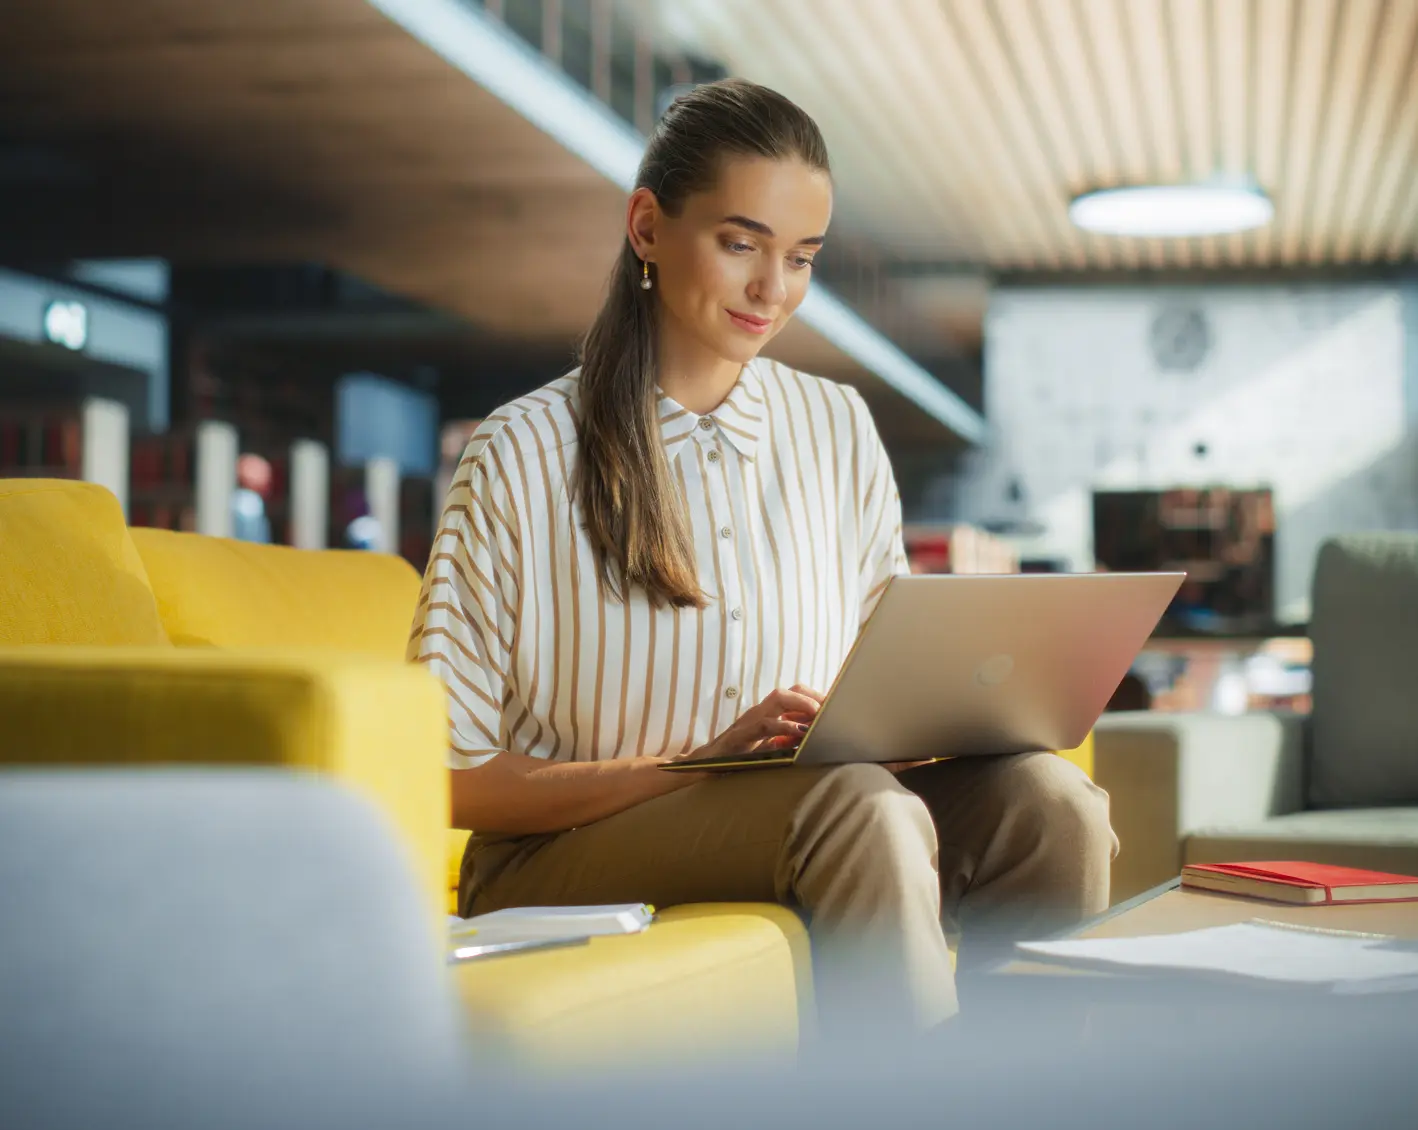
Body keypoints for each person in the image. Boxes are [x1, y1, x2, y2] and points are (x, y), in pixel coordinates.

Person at [408, 79, 1117, 1033]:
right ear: (647, 227)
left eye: (801, 257)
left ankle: (1041, 1087)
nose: (772, 290)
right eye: (741, 244)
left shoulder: (837, 426)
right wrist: (693, 767)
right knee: (858, 809)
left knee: (1051, 805)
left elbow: (885, 669)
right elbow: (445, 774)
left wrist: (941, 714)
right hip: (563, 851)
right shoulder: (523, 450)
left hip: (817, 806)